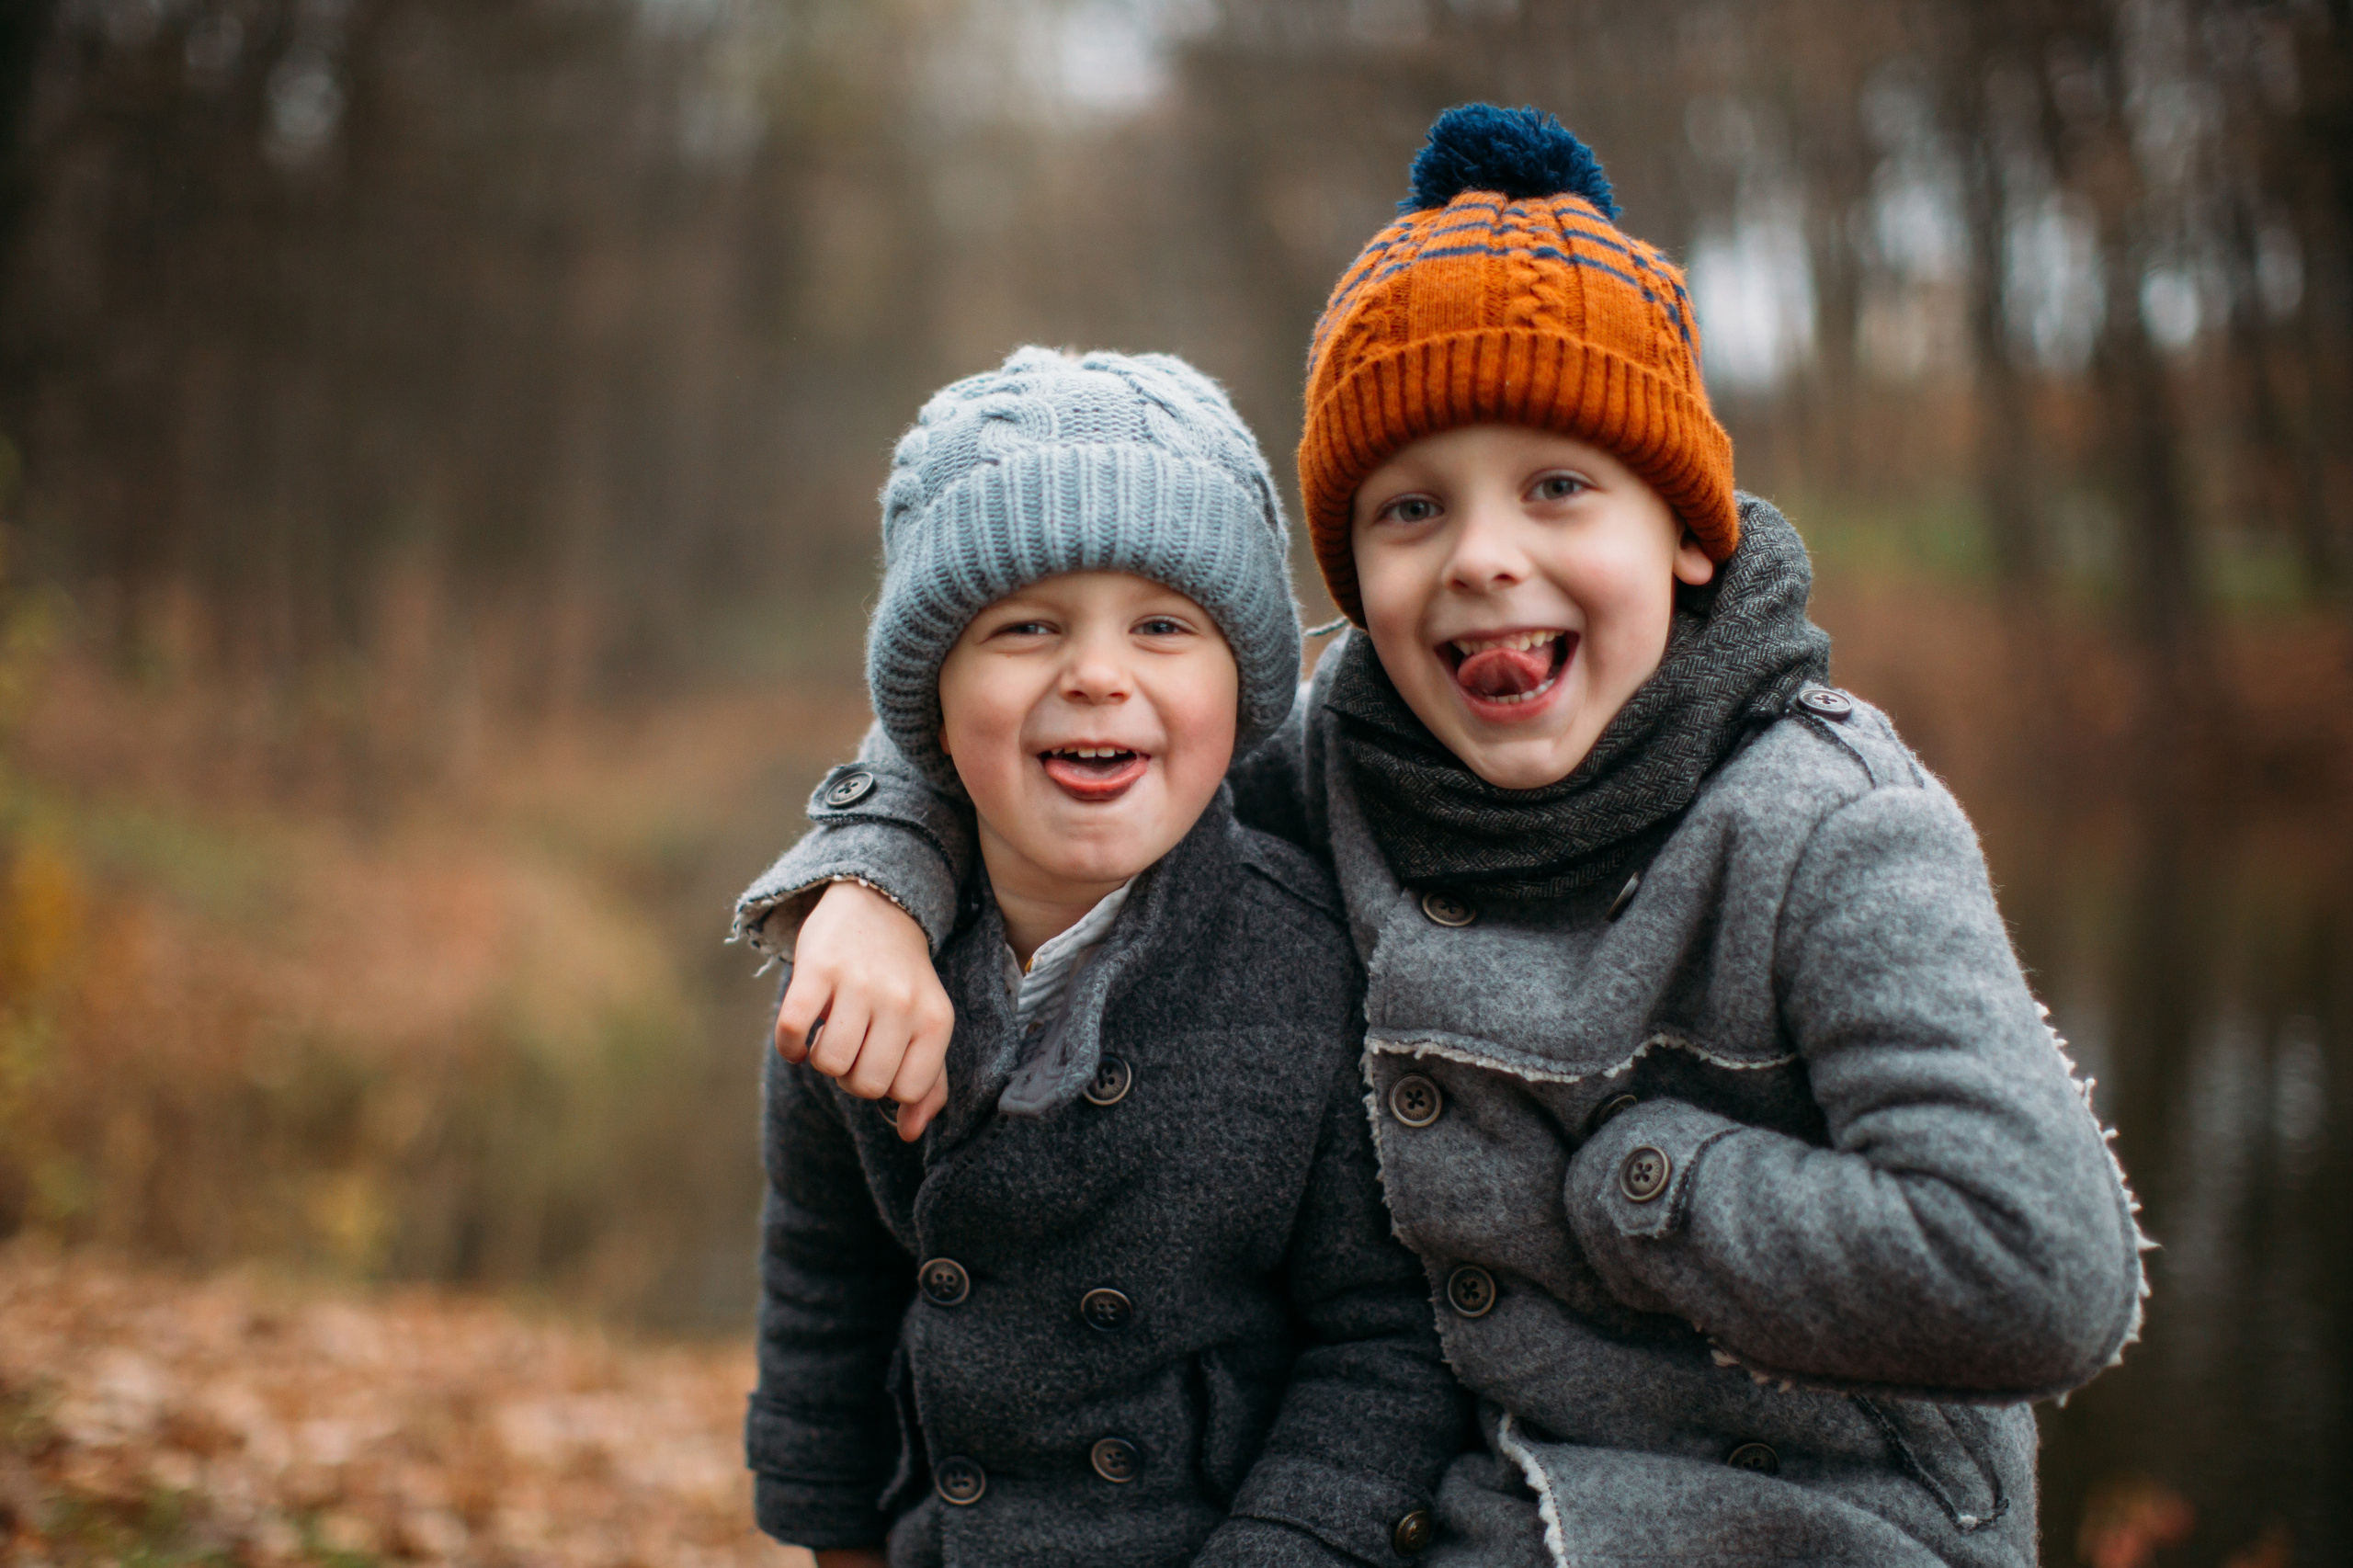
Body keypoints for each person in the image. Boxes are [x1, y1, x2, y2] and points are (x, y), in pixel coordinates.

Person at [739, 346, 1468, 1568]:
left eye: (1163, 624)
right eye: (1025, 626)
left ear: (1243, 686)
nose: (1094, 673)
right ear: (931, 699)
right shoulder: (858, 965)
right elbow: (824, 1296)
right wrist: (837, 1543)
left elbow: (1384, 1343)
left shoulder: (1311, 968)